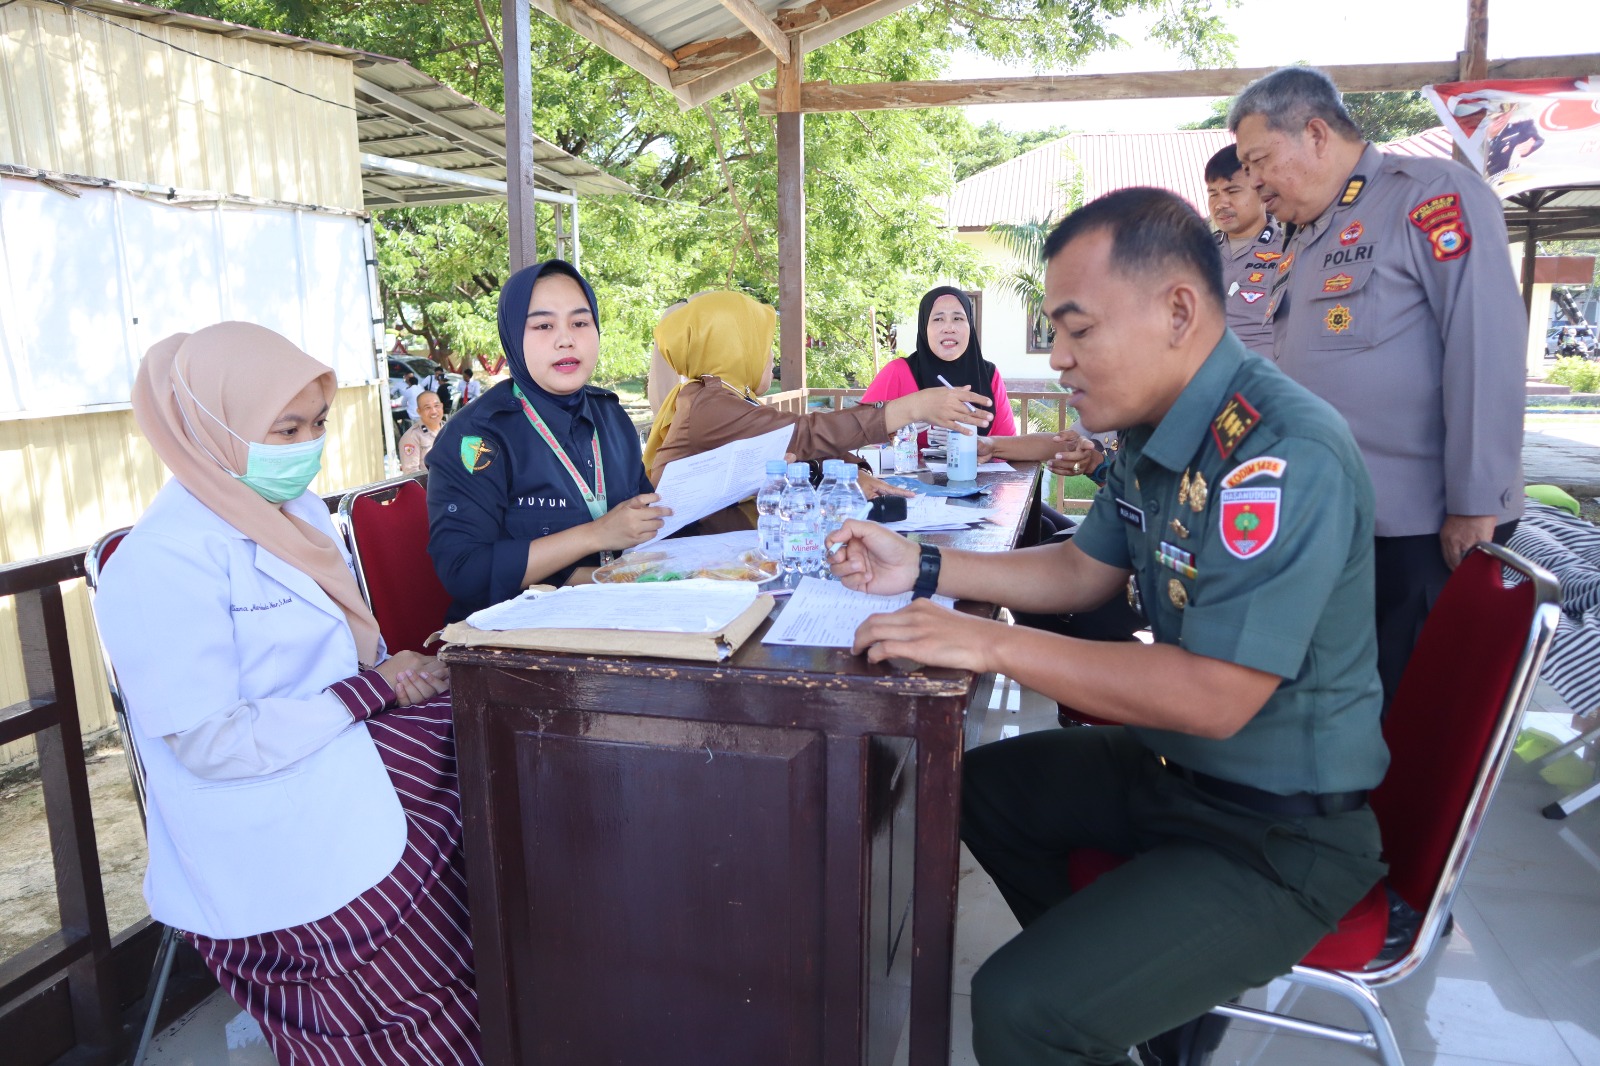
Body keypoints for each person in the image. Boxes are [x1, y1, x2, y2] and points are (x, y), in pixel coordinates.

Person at [827, 188, 1388, 1066]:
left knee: (1018, 1010)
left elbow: (1214, 696)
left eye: (1078, 330)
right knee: (973, 789)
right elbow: (1082, 570)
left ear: (1178, 312)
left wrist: (988, 640)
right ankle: (1135, 1009)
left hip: (1275, 829)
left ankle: (1087, 1013)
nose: (1058, 359)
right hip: (1173, 771)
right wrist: (923, 567)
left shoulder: (1278, 449)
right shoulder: (1155, 432)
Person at [91, 323, 480, 1064]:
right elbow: (211, 741)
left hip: (339, 761)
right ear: (214, 426)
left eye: (318, 424)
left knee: (484, 752)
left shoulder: (291, 515)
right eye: (286, 429)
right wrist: (367, 693)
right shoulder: (159, 564)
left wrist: (393, 673)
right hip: (266, 834)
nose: (308, 446)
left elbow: (341, 653)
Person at [1229, 65, 1525, 711]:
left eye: (1260, 160)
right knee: (1343, 705)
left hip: (1419, 528)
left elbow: (1485, 346)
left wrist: (1476, 502)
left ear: (1315, 134)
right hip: (1332, 521)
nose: (1253, 181)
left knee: (1411, 710)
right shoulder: (1304, 233)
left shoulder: (1430, 196)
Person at [427, 259, 667, 622]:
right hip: (515, 634)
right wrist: (595, 535)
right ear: (512, 336)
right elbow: (465, 572)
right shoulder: (477, 436)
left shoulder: (610, 416)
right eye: (543, 325)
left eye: (580, 323)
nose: (566, 339)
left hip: (617, 611)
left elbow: (641, 526)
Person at [641, 290, 990, 486]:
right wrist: (914, 407)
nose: (772, 356)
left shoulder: (729, 398)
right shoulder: (710, 404)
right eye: (763, 344)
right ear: (734, 347)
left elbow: (797, 445)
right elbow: (804, 433)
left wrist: (850, 472)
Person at [859, 286, 1017, 445]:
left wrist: (979, 444)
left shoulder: (989, 375)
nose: (949, 328)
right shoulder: (897, 372)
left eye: (958, 318)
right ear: (924, 327)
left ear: (970, 325)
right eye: (938, 319)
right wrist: (897, 433)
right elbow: (856, 433)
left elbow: (1009, 445)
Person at [1204, 143, 1284, 357]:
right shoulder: (1198, 254)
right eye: (1213, 193)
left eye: (1232, 191)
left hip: (1264, 373)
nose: (1220, 204)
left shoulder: (1290, 250)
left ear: (1262, 190)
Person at [398, 390, 445, 474]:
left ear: (442, 406)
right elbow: (411, 474)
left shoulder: (450, 429)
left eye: (436, 406)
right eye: (427, 407)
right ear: (419, 411)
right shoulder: (412, 437)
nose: (433, 411)